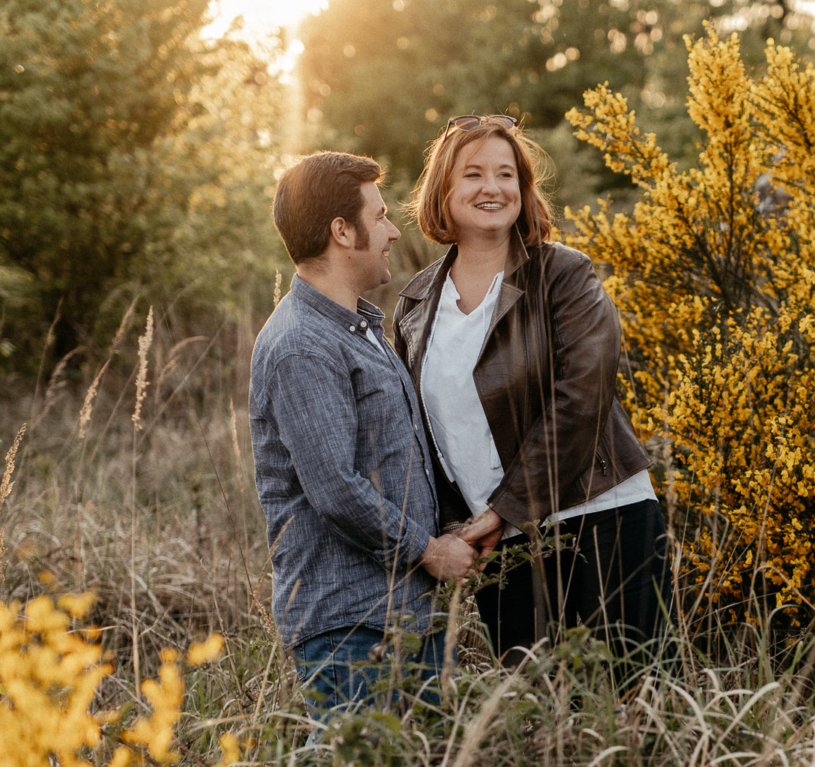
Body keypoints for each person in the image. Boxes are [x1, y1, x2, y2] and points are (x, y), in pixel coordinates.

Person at [393, 115, 669, 666]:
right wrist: (453, 533)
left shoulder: (563, 274)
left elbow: (583, 396)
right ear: (443, 189)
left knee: (638, 703)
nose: (492, 188)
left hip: (604, 518)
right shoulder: (415, 305)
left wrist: (507, 507)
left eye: (506, 174)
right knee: (537, 719)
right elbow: (418, 436)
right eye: (473, 174)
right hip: (502, 545)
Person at [250, 151, 476, 711]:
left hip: (401, 613)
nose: (394, 232)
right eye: (379, 217)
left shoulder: (360, 328)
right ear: (341, 231)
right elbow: (336, 488)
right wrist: (429, 551)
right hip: (352, 628)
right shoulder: (302, 345)